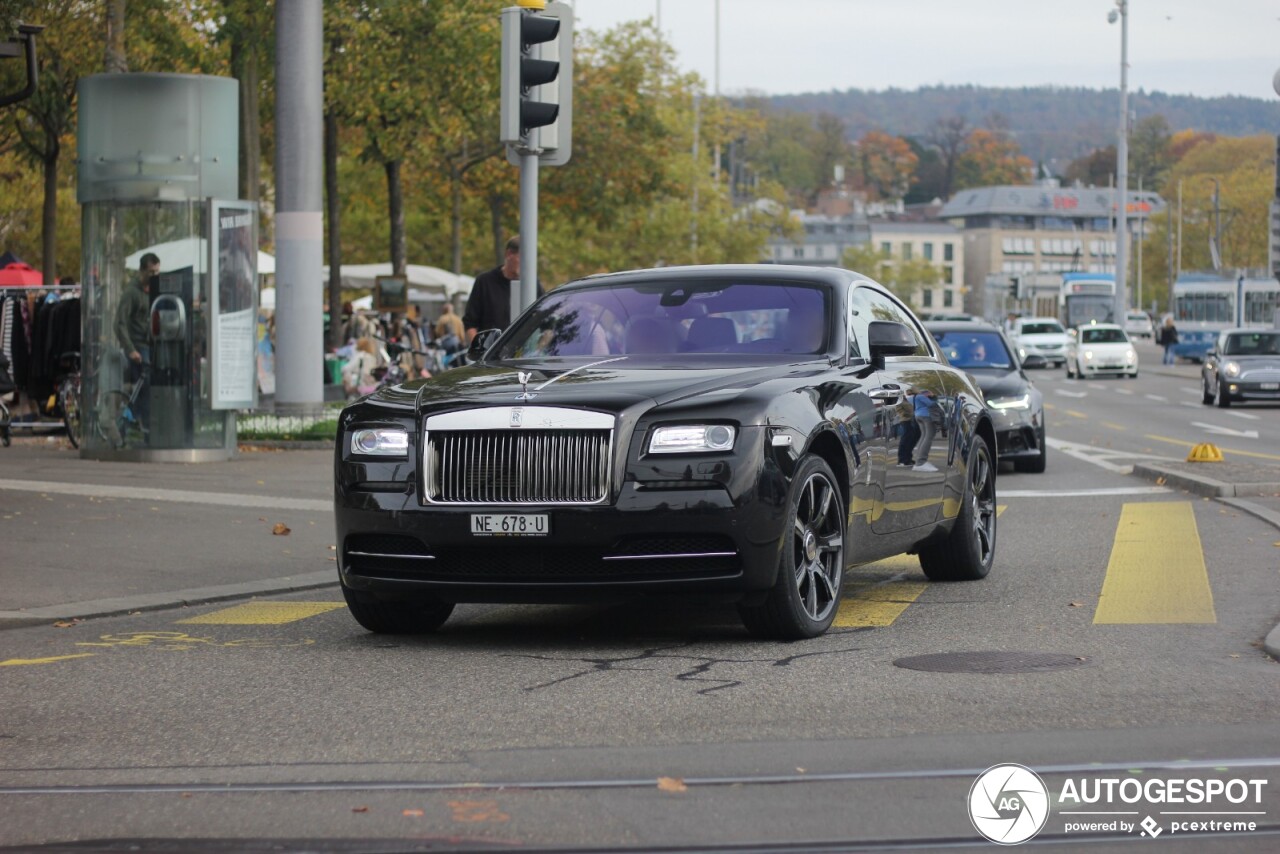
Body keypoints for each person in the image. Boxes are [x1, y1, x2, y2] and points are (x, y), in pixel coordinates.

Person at [463, 236, 542, 344]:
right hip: (490, 354)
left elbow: (546, 320)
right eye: (523, 258)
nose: (527, 265)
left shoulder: (533, 284)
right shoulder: (484, 282)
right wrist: (481, 352)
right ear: (509, 254)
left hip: (524, 354)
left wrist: (540, 349)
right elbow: (470, 323)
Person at [116, 252, 158, 432]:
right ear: (142, 271)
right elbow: (119, 323)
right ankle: (135, 418)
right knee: (146, 381)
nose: (155, 276)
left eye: (157, 272)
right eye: (151, 272)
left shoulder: (154, 290)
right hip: (138, 346)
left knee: (150, 383)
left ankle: (135, 418)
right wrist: (130, 349)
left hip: (151, 343)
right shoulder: (131, 293)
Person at [911, 388, 941, 472]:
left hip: (918, 416)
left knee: (923, 436)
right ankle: (921, 462)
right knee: (928, 437)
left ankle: (919, 460)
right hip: (926, 416)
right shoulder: (921, 396)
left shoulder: (915, 397)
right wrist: (933, 396)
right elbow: (932, 404)